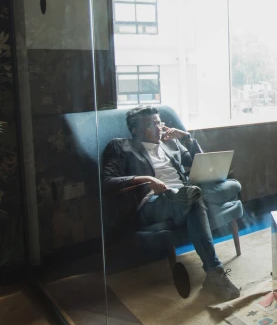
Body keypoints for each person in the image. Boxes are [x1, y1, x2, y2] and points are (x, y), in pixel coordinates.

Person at [101, 106, 241, 300]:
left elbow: (202, 164)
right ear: (135, 130)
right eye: (151, 124)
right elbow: (107, 182)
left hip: (185, 194)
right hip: (153, 202)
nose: (158, 128)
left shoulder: (171, 144)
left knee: (229, 186)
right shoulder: (121, 146)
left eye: (159, 122)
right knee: (195, 195)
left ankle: (192, 199)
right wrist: (145, 180)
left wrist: (185, 138)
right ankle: (214, 272)